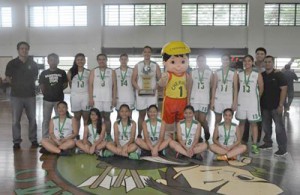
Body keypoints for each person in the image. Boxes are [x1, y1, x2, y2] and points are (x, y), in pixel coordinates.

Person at [5, 41, 39, 149]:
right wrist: (16, 85)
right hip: (16, 96)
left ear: (28, 50)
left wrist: (27, 85)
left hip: (30, 96)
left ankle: (33, 139)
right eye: (22, 48)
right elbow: (8, 77)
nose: (24, 50)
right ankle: (16, 141)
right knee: (16, 120)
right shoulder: (12, 63)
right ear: (18, 50)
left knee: (32, 119)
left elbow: (35, 77)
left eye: (26, 49)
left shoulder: (33, 64)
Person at [158, 41, 191, 139]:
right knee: (169, 121)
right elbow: (160, 85)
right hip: (170, 101)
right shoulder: (168, 75)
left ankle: (179, 136)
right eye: (173, 62)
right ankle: (168, 137)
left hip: (182, 100)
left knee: (181, 121)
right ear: (165, 62)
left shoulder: (187, 76)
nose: (179, 65)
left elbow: (188, 89)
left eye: (183, 62)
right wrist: (162, 80)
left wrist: (188, 101)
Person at [259, 55, 288, 156]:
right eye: (265, 62)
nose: (267, 64)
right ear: (263, 63)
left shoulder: (279, 75)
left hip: (276, 106)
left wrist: (281, 105)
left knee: (279, 128)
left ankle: (282, 148)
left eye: (269, 62)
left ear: (273, 63)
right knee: (266, 127)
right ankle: (267, 143)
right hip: (265, 106)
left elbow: (284, 89)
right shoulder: (261, 75)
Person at [236, 55, 264, 154]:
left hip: (252, 102)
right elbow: (237, 87)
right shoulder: (239, 74)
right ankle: (239, 143)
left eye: (249, 61)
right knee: (241, 123)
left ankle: (254, 144)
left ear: (252, 62)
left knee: (253, 124)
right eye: (245, 61)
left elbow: (261, 88)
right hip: (241, 102)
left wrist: (256, 98)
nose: (247, 63)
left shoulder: (257, 74)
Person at [132, 46, 161, 138]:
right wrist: (138, 88)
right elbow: (133, 80)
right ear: (143, 53)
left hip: (152, 94)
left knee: (152, 115)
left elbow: (160, 80)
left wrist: (155, 88)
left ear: (151, 53)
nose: (147, 54)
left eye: (149, 52)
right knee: (141, 115)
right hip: (141, 94)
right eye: (145, 52)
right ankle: (140, 134)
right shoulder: (138, 65)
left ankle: (150, 133)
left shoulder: (155, 65)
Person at [39, 53, 68, 139]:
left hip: (59, 100)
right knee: (46, 120)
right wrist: (47, 93)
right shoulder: (44, 73)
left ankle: (59, 137)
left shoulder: (62, 72)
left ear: (58, 61)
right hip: (47, 100)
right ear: (48, 61)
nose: (53, 62)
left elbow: (65, 84)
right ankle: (45, 137)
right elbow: (42, 86)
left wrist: (57, 90)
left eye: (55, 60)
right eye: (51, 60)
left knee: (60, 119)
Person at [89, 53, 116, 141]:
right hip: (96, 98)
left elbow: (114, 86)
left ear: (106, 60)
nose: (101, 61)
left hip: (108, 98)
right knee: (97, 118)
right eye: (100, 59)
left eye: (103, 59)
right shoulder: (93, 71)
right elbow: (90, 85)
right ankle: (98, 134)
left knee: (107, 117)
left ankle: (108, 135)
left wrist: (114, 98)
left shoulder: (111, 71)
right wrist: (90, 98)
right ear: (97, 61)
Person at [242, 47, 267, 144]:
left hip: (262, 96)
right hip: (250, 97)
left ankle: (255, 140)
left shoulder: (268, 66)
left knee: (258, 120)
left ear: (264, 55)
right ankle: (244, 138)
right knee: (246, 119)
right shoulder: (251, 65)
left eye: (262, 54)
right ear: (255, 56)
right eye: (258, 54)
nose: (260, 55)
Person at [189, 54, 213, 141]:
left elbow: (211, 87)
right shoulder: (193, 72)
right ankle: (198, 136)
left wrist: (211, 99)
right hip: (194, 99)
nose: (200, 62)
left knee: (202, 119)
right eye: (199, 61)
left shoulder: (210, 73)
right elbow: (190, 87)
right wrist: (188, 100)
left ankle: (206, 130)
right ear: (197, 62)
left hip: (204, 99)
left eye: (202, 60)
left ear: (205, 62)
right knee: (196, 119)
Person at [211, 54, 238, 127]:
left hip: (228, 99)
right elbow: (214, 87)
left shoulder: (234, 72)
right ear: (221, 60)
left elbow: (235, 88)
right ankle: (216, 136)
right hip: (218, 99)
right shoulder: (217, 72)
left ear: (229, 61)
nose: (225, 61)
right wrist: (212, 101)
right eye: (223, 59)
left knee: (228, 119)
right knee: (217, 119)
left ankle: (227, 136)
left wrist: (235, 102)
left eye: (227, 59)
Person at [67, 53, 90, 138]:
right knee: (76, 117)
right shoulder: (70, 72)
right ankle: (76, 134)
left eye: (82, 59)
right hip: (75, 96)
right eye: (78, 59)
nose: (80, 61)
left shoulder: (88, 72)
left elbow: (90, 84)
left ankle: (86, 135)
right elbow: (70, 84)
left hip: (85, 96)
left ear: (85, 60)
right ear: (75, 61)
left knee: (86, 117)